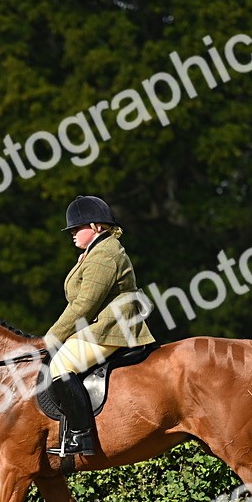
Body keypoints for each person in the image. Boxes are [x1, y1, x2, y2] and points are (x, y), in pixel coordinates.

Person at [45, 195, 155, 456]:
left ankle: (81, 437)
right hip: (100, 325)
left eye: (76, 228)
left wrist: (51, 336)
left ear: (95, 226)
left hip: (111, 328)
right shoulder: (92, 252)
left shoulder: (104, 255)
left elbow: (84, 305)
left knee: (61, 365)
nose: (72, 233)